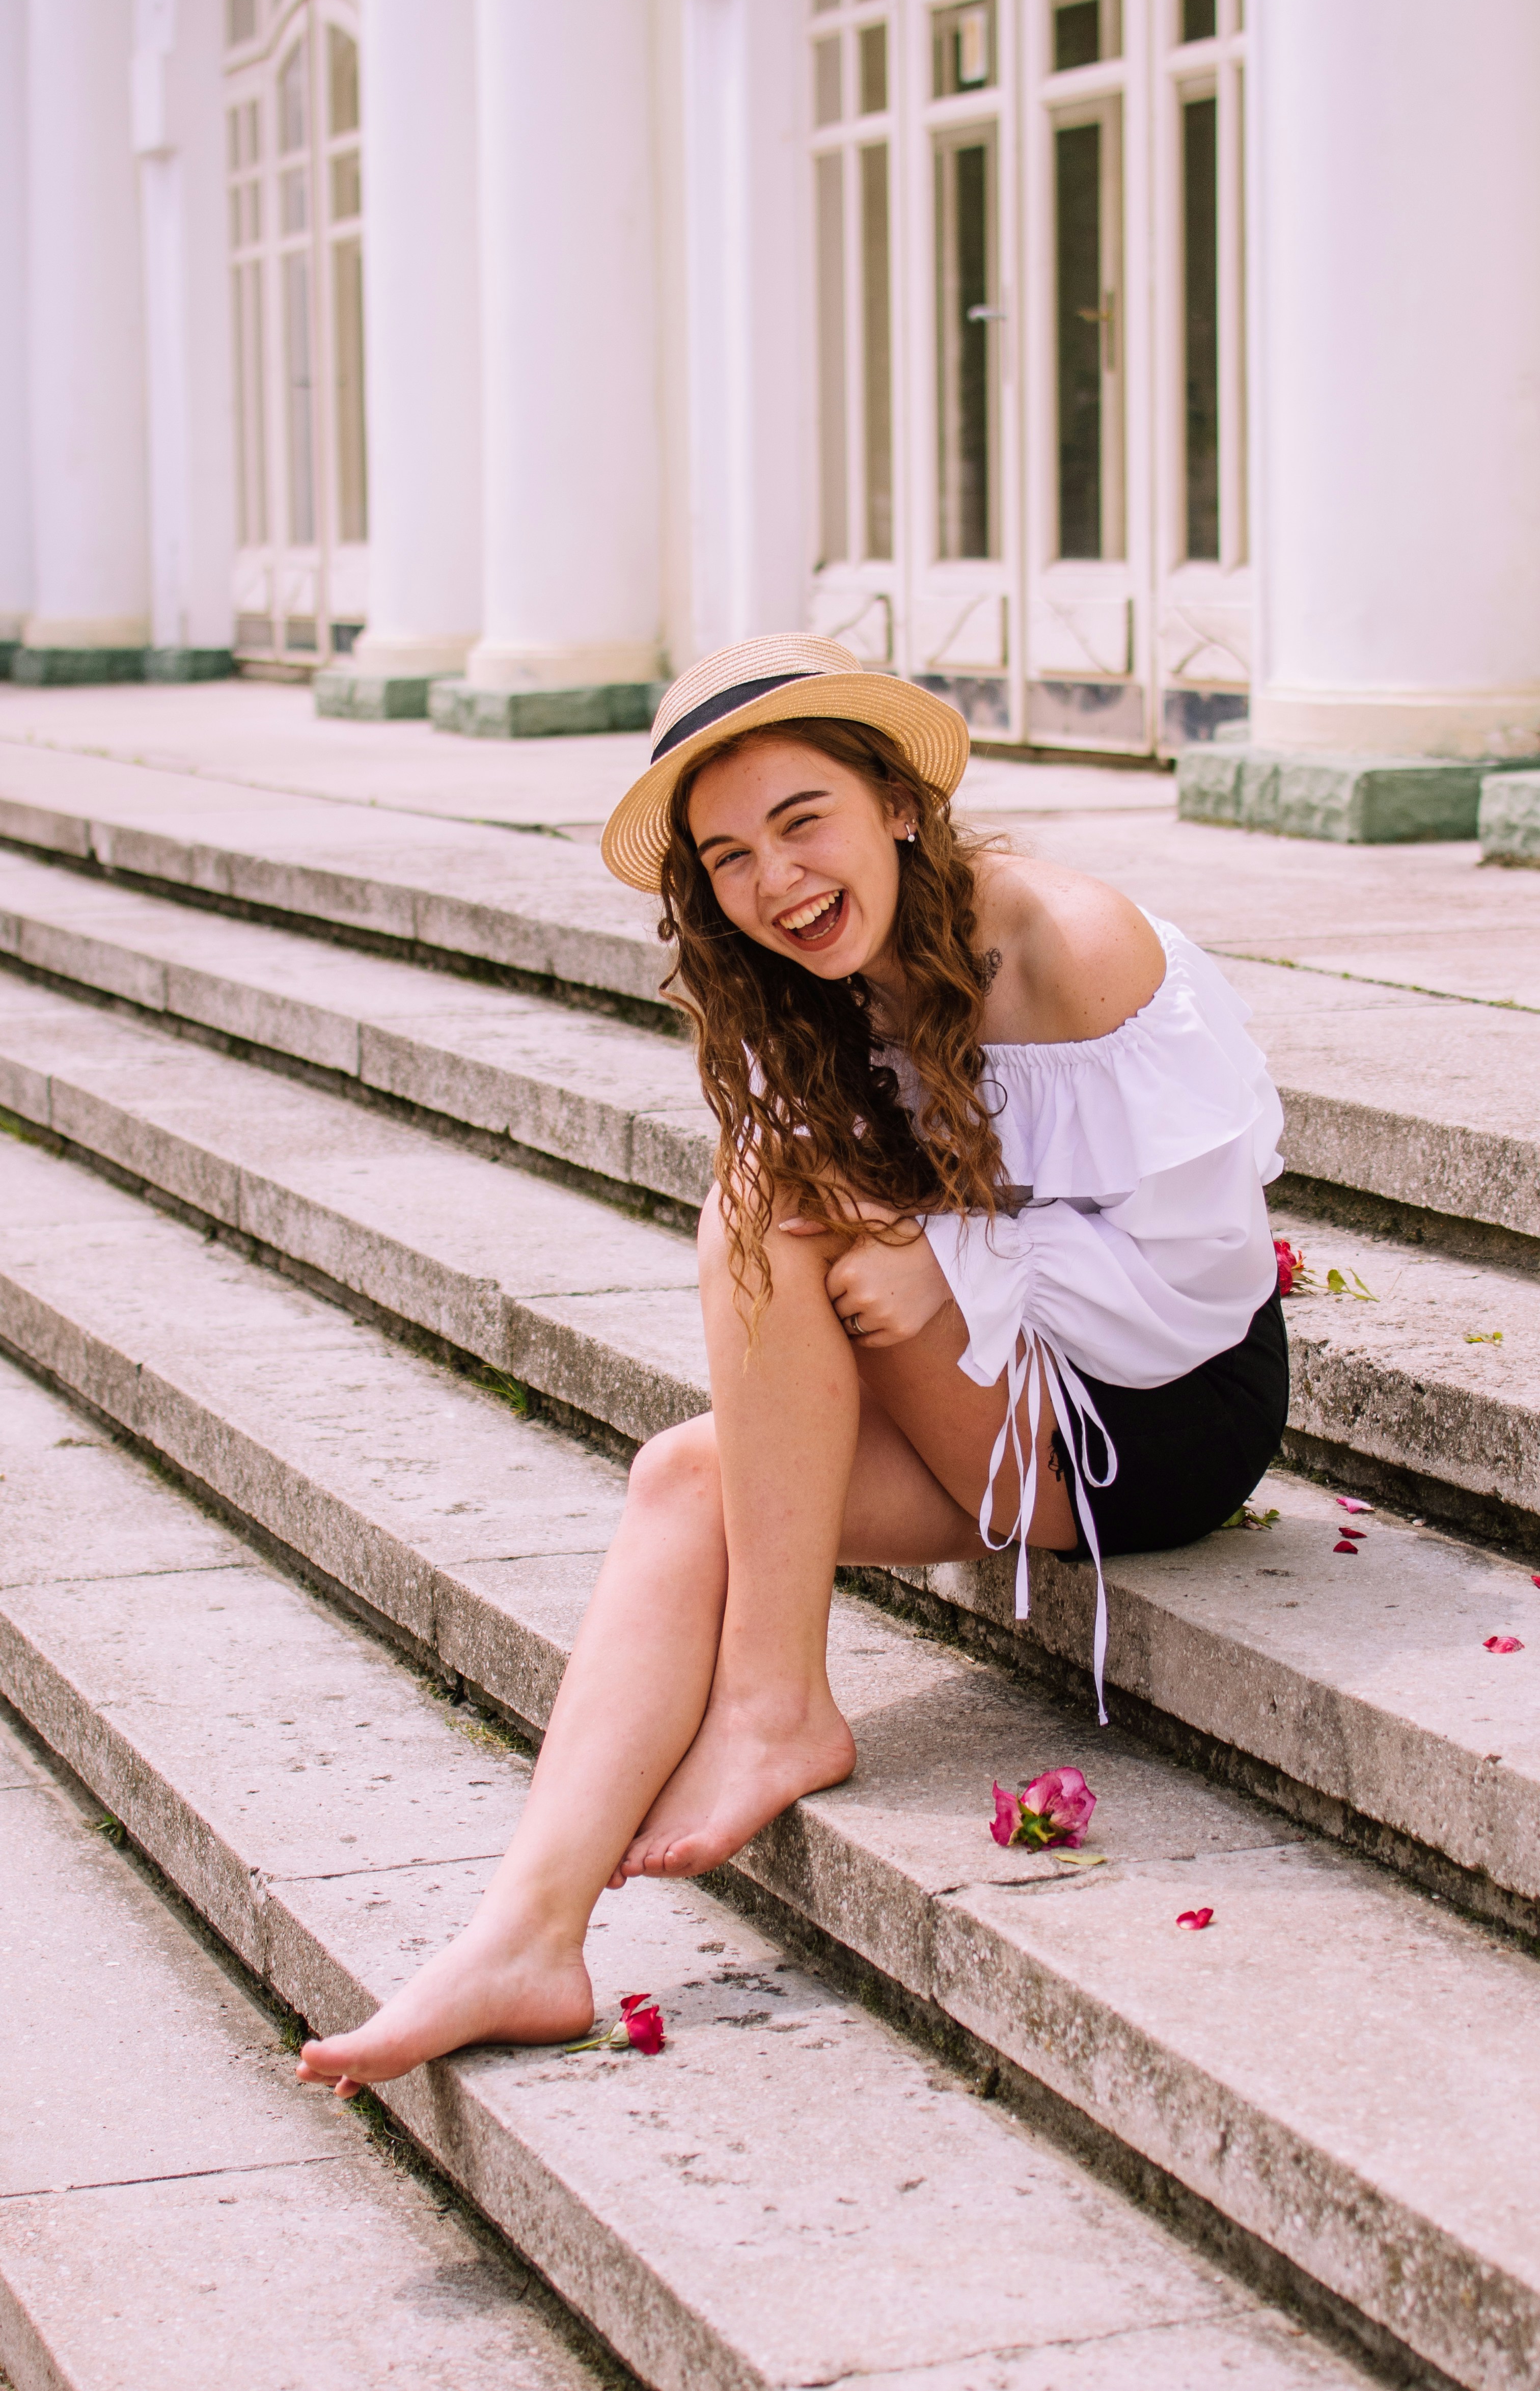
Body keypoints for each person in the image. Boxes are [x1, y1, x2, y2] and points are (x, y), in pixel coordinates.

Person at [297, 634, 1287, 2095]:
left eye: (801, 819)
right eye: (729, 855)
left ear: (894, 799)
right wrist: (928, 1260)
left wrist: (947, 1260)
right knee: (683, 1475)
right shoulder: (794, 988)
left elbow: (1206, 1287)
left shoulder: (1074, 945)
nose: (775, 880)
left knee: (765, 1207)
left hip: (1157, 1420)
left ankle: (774, 1706)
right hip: (995, 1395)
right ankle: (524, 1932)